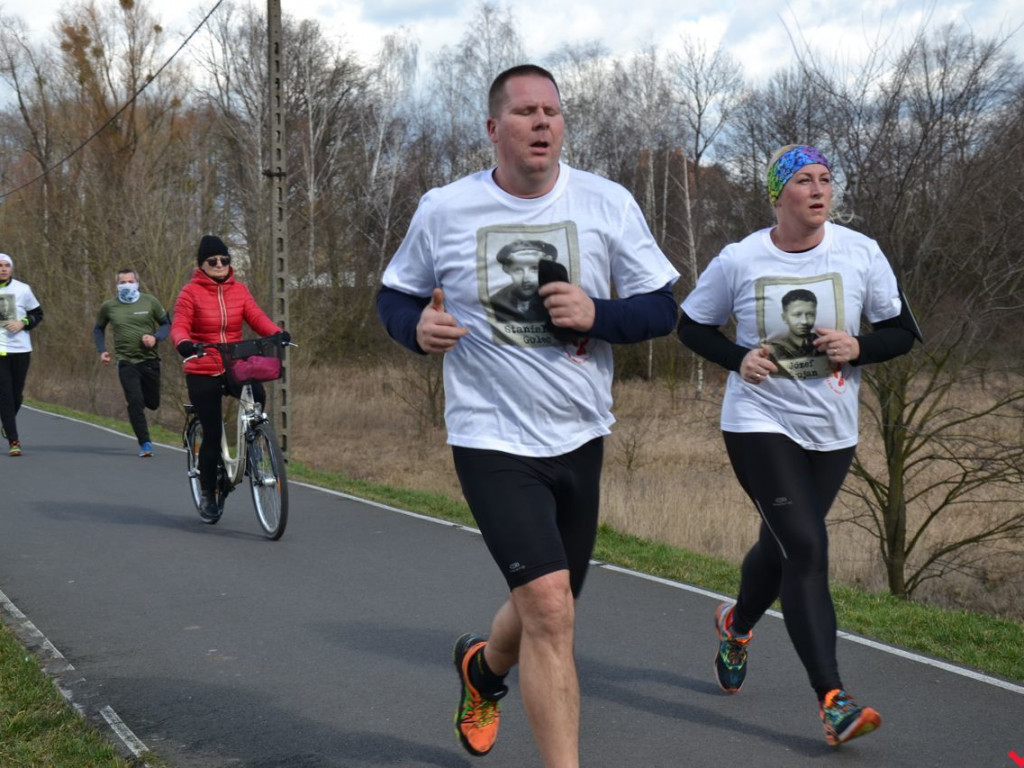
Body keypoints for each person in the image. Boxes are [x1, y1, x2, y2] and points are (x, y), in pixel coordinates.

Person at [376, 64, 679, 767]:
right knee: (549, 608)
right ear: (493, 129)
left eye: (552, 111)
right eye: (525, 112)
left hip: (578, 433)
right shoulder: (446, 209)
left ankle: (482, 671)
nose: (542, 123)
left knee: (551, 601)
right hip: (490, 435)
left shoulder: (606, 204)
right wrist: (414, 328)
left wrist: (599, 313)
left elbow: (664, 306)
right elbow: (394, 296)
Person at [677, 144, 920, 746]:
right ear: (778, 194)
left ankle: (735, 626)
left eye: (826, 180)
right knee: (807, 546)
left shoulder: (861, 253)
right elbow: (690, 326)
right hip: (758, 422)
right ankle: (834, 700)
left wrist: (859, 347)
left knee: (782, 545)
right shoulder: (740, 260)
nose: (818, 190)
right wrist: (740, 359)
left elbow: (902, 333)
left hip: (831, 431)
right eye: (804, 180)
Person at [170, 235, 287, 522]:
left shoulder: (240, 290)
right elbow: (180, 325)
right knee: (211, 433)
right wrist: (185, 344)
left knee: (258, 397)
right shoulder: (190, 293)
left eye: (225, 260)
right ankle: (209, 492)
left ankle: (256, 444)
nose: (220, 265)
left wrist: (276, 333)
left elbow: (256, 316)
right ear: (202, 265)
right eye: (213, 261)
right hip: (202, 366)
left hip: (233, 363)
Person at [93, 268, 171, 457]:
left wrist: (155, 337)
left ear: (137, 282)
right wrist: (102, 350)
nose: (127, 285)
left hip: (150, 360)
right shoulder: (109, 306)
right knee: (135, 402)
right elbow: (98, 328)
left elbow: (167, 323)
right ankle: (145, 444)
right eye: (123, 282)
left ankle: (143, 404)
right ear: (117, 285)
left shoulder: (150, 301)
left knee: (152, 403)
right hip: (126, 361)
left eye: (130, 281)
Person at [0, 252, 44, 457]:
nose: (3, 268)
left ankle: (6, 423)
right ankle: (14, 440)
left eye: (7, 265)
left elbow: (38, 314)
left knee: (16, 395)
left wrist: (23, 323)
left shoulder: (23, 289)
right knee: (5, 396)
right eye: (0, 265)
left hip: (21, 349)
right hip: (0, 351)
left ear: (12, 268)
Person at [489, 239, 558, 322]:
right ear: (507, 270)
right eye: (518, 270)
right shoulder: (497, 302)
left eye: (534, 269)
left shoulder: (558, 299)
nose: (526, 279)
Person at [771, 288, 822, 360]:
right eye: (797, 315)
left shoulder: (823, 345)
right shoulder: (775, 350)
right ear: (784, 318)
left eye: (810, 314)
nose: (804, 321)